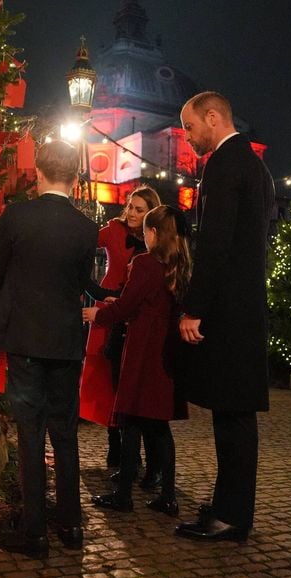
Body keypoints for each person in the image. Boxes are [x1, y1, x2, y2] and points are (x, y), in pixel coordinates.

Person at [0, 140, 98, 558]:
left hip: (25, 340)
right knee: (65, 434)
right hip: (65, 342)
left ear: (37, 170)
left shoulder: (18, 216)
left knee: (29, 434)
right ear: (74, 175)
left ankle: (34, 532)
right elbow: (81, 283)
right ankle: (71, 525)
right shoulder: (86, 228)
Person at [175, 92, 275, 541]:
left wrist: (195, 308)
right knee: (234, 415)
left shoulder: (223, 164)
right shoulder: (253, 165)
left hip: (229, 312)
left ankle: (231, 514)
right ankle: (229, 506)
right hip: (245, 305)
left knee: (231, 416)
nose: (189, 137)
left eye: (191, 127)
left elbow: (213, 245)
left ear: (212, 118)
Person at [83, 205, 191, 514]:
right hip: (165, 355)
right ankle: (168, 495)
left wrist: (97, 315)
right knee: (159, 427)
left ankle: (123, 495)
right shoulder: (179, 264)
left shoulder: (145, 263)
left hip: (142, 353)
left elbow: (127, 307)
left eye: (145, 231)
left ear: (154, 233)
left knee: (129, 420)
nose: (142, 237)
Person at [80, 186, 163, 489]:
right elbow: (82, 245)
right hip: (109, 309)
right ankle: (117, 450)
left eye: (139, 209)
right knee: (107, 381)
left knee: (134, 383)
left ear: (151, 214)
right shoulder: (113, 230)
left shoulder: (158, 241)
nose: (130, 213)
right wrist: (96, 291)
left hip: (138, 314)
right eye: (129, 206)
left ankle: (138, 458)